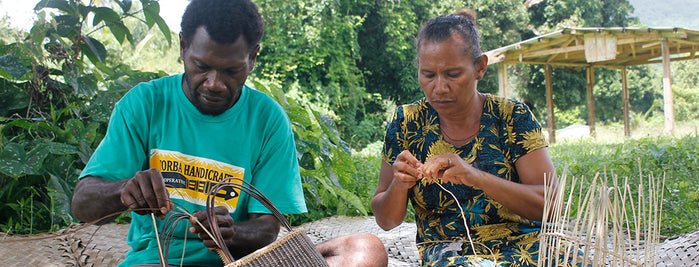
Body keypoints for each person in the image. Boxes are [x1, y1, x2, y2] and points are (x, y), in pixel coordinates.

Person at [70, 0, 388, 266]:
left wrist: (231, 232)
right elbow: (82, 205)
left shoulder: (267, 119)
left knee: (366, 251)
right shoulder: (146, 104)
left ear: (253, 58)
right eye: (201, 66)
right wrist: (123, 190)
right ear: (183, 48)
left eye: (232, 71)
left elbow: (267, 230)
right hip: (159, 261)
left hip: (242, 262)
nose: (214, 83)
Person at [371, 12, 559, 266]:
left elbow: (551, 206)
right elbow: (386, 221)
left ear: (480, 67)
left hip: (528, 245)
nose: (439, 88)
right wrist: (400, 184)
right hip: (452, 252)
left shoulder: (512, 116)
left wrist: (476, 176)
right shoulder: (407, 123)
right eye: (428, 75)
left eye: (452, 74)